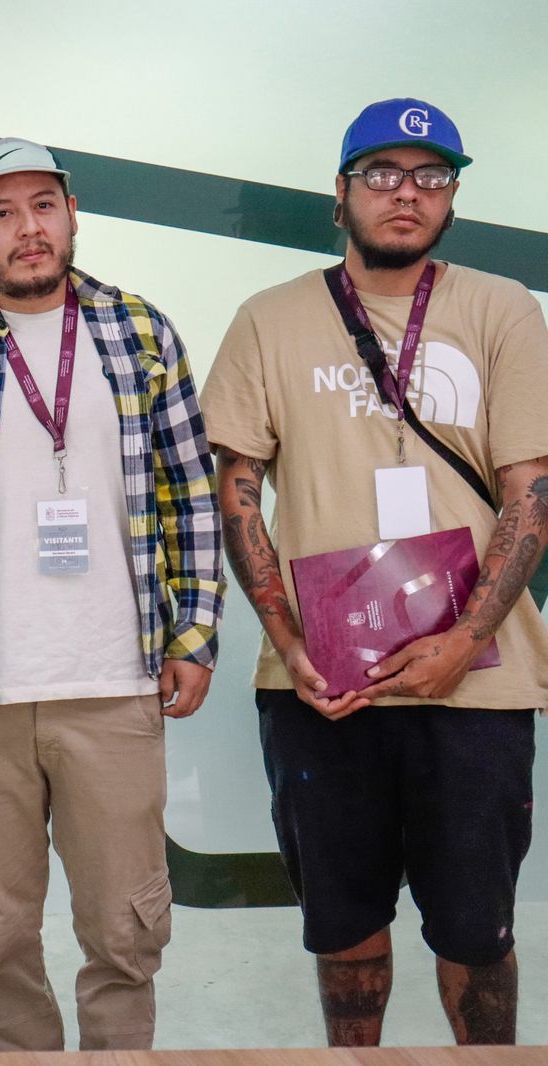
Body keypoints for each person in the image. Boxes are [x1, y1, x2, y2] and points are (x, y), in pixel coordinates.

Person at [201, 98, 548, 1047]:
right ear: (341, 192)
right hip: (322, 684)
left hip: (478, 683)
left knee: (478, 932)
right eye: (383, 174)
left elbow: (531, 492)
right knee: (343, 928)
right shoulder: (269, 320)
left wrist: (465, 640)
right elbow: (238, 491)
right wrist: (286, 640)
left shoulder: (503, 309)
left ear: (452, 197)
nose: (407, 194)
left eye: (431, 177)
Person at [0, 137, 224, 1051]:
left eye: (42, 206)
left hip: (115, 684)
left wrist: (196, 632)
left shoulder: (141, 333)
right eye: (1, 212)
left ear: (71, 215)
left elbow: (191, 493)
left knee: (124, 929)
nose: (26, 228)